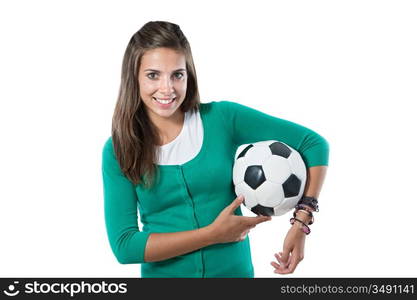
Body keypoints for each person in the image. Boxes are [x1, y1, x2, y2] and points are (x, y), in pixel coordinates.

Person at [101, 20, 329, 278]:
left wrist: (301, 222)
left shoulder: (222, 118)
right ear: (134, 77)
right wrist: (213, 235)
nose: (167, 88)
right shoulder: (118, 149)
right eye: (153, 75)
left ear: (189, 75)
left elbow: (313, 144)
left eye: (177, 74)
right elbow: (125, 247)